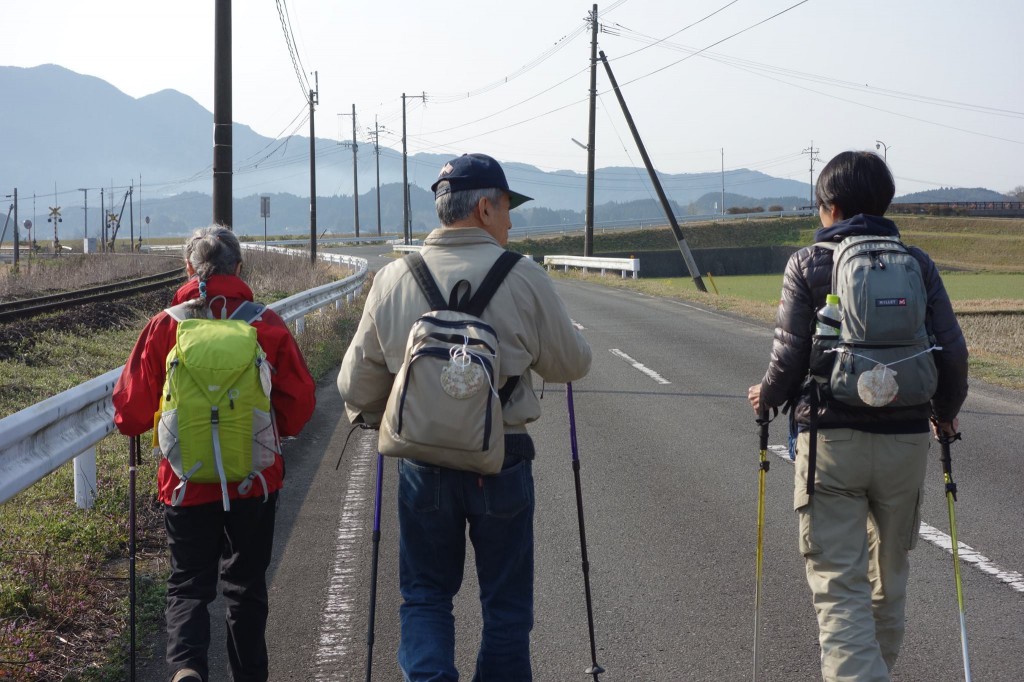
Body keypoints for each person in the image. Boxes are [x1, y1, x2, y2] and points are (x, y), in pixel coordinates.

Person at [338, 152, 592, 681]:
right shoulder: (522, 275)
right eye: (505, 208)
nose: (510, 220)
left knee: (426, 595)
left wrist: (379, 408)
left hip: (423, 463)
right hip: (502, 458)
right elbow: (571, 363)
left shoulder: (393, 278)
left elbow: (354, 385)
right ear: (482, 207)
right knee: (505, 606)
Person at [747, 151, 968, 681]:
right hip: (906, 442)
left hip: (832, 442)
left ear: (832, 207)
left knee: (840, 592)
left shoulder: (808, 262)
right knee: (889, 581)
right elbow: (953, 353)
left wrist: (767, 395)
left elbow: (789, 353)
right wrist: (946, 414)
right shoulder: (916, 263)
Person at [113, 225, 316, 682]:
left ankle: (187, 667)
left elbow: (129, 413)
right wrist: (266, 431)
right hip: (256, 480)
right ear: (239, 268)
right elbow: (300, 403)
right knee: (246, 589)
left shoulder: (166, 324)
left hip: (185, 481)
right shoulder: (264, 322)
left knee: (188, 584)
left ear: (189, 268)